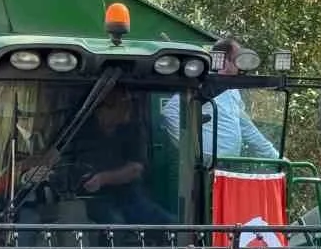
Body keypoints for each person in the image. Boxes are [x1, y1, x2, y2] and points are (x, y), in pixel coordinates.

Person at [159, 36, 280, 164]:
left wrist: (276, 157)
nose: (240, 64)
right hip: (204, 168)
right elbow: (170, 112)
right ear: (224, 60)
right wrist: (192, 150)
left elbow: (246, 126)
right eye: (236, 59)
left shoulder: (233, 89)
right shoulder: (203, 84)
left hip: (228, 166)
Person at [71, 87, 175, 226]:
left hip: (129, 194)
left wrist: (102, 179)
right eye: (123, 104)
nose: (128, 108)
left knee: (169, 223)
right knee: (114, 224)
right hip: (90, 198)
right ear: (103, 108)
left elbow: (135, 169)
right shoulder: (80, 131)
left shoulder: (133, 129)